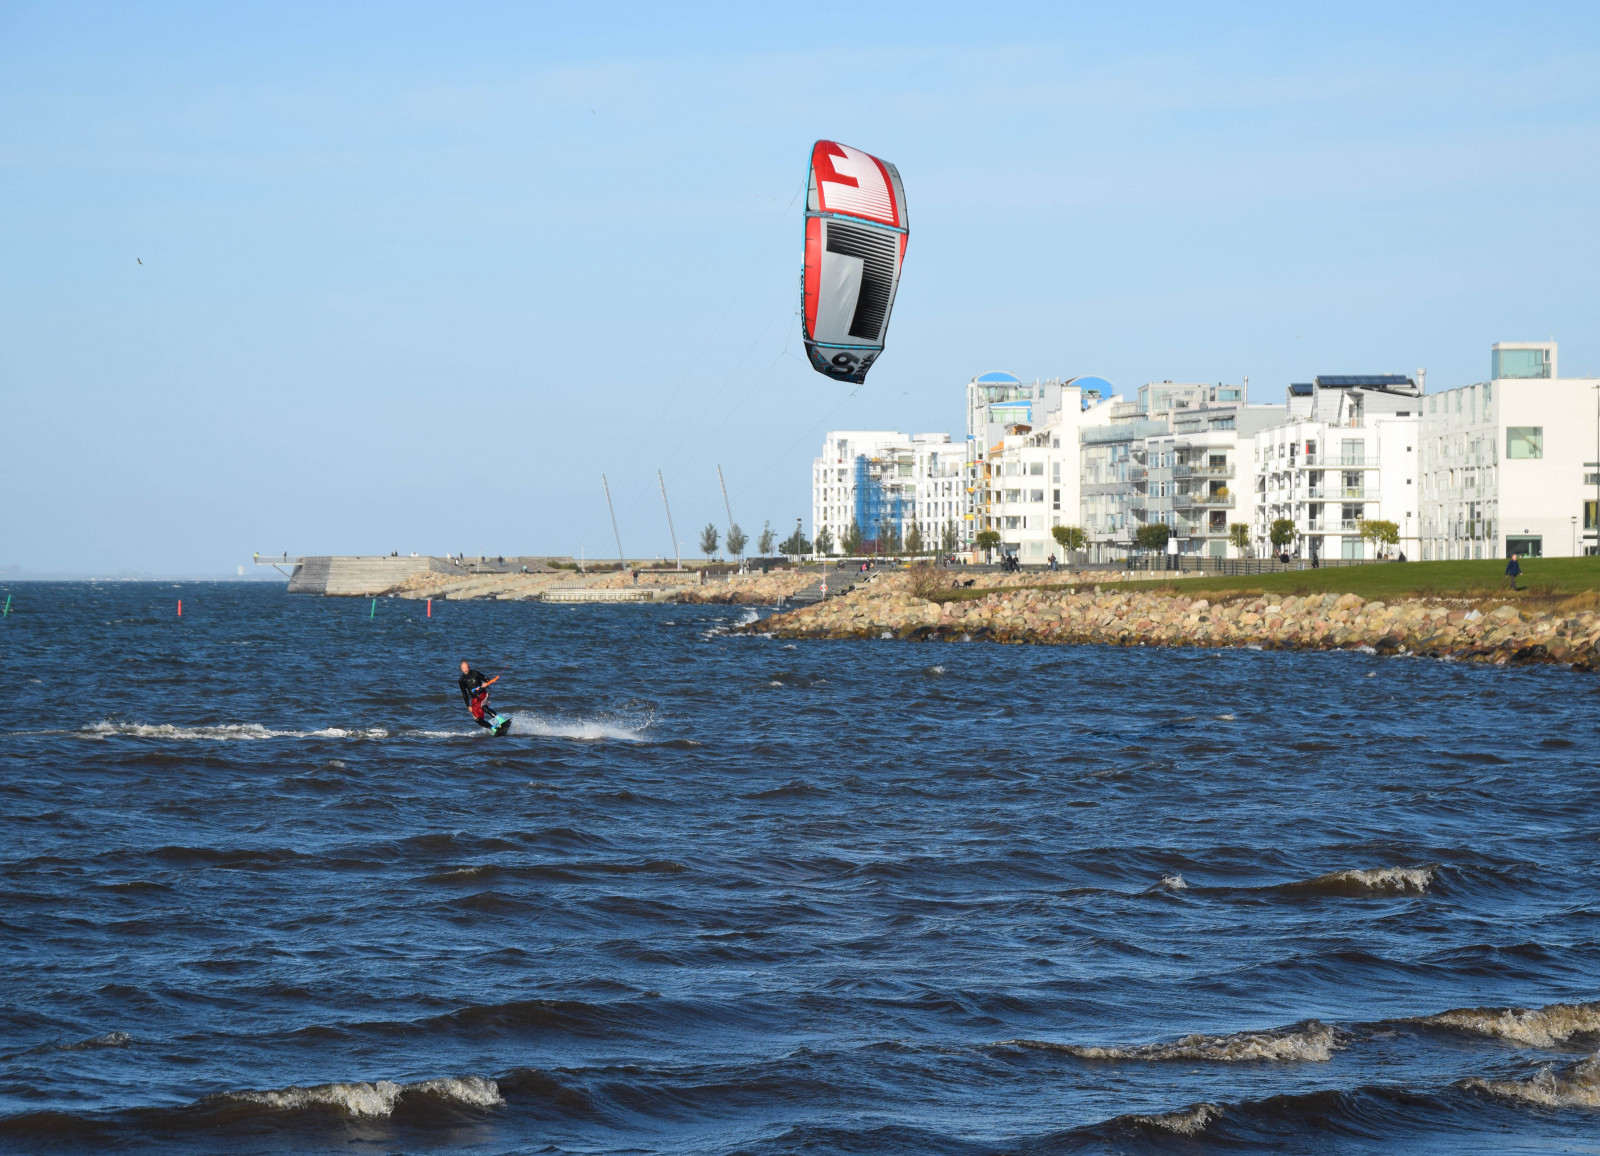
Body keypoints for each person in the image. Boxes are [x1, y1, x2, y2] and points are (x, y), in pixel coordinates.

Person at [458, 660, 502, 730]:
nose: (466, 669)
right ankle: (493, 729)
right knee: (477, 719)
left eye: (467, 667)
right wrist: (468, 705)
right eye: (464, 668)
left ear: (469, 667)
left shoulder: (476, 673)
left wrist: (487, 682)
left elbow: (486, 679)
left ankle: (501, 720)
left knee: (483, 706)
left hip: (483, 694)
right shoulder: (461, 680)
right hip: (475, 699)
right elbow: (464, 694)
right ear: (461, 669)